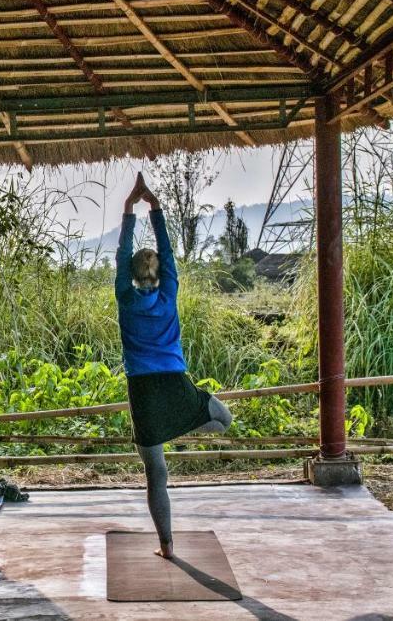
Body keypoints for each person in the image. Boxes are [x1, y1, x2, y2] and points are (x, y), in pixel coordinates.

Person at [116, 172, 233, 560]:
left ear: (130, 275)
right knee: (224, 419)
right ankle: (188, 424)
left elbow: (123, 253)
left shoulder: (125, 298)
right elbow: (167, 253)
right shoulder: (168, 294)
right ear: (160, 273)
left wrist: (129, 208)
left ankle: (166, 546)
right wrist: (154, 207)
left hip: (144, 393)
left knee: (156, 475)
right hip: (173, 383)